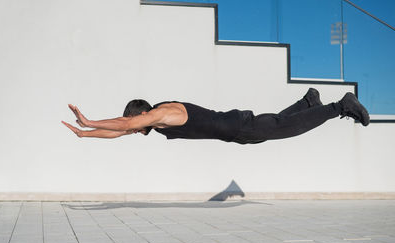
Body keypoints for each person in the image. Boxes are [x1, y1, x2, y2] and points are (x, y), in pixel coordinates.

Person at [62, 88, 370, 144]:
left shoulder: (164, 112)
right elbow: (122, 131)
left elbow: (126, 124)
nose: (138, 130)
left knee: (283, 129)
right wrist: (85, 135)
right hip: (235, 129)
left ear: (143, 113)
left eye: (139, 124)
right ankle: (308, 102)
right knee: (277, 125)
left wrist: (89, 121)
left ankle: (341, 105)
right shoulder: (155, 121)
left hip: (236, 126)